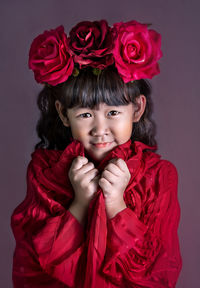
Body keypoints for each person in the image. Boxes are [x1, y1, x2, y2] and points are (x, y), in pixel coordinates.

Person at [11, 20, 182, 288]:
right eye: (85, 114)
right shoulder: (44, 172)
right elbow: (30, 268)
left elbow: (160, 272)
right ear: (62, 114)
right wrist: (80, 203)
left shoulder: (159, 177)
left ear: (137, 109)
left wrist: (116, 206)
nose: (100, 129)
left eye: (113, 112)